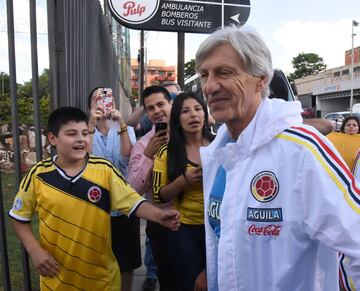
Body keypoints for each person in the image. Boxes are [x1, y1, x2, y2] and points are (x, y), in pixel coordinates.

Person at [195, 26, 360, 290]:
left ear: (260, 79)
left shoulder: (303, 150)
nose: (210, 86)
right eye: (204, 75)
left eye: (224, 72)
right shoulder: (219, 152)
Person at [8, 106, 180, 291]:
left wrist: (159, 216)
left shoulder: (104, 169)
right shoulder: (38, 175)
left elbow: (133, 202)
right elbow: (19, 218)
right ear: (52, 138)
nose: (81, 139)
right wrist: (35, 251)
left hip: (102, 280)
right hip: (57, 280)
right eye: (72, 133)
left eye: (84, 133)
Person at [153, 92, 213, 291]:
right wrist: (183, 180)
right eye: (185, 111)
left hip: (220, 228)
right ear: (177, 118)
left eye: (197, 109)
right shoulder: (166, 151)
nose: (193, 115)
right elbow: (158, 195)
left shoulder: (220, 145)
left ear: (205, 115)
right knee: (190, 284)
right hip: (185, 230)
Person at [87, 87, 140, 291]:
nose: (103, 101)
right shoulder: (85, 130)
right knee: (97, 261)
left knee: (126, 262)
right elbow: (86, 160)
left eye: (108, 98)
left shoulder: (125, 129)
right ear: (90, 105)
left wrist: (122, 126)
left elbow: (126, 160)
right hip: (95, 206)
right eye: (97, 98)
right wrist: (91, 125)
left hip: (123, 205)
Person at [127, 86, 179, 291]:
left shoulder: (189, 135)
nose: (157, 111)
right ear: (146, 113)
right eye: (151, 108)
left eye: (161, 104)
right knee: (166, 277)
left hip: (193, 219)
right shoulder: (142, 145)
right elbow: (132, 189)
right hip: (160, 220)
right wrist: (149, 155)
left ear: (171, 104)